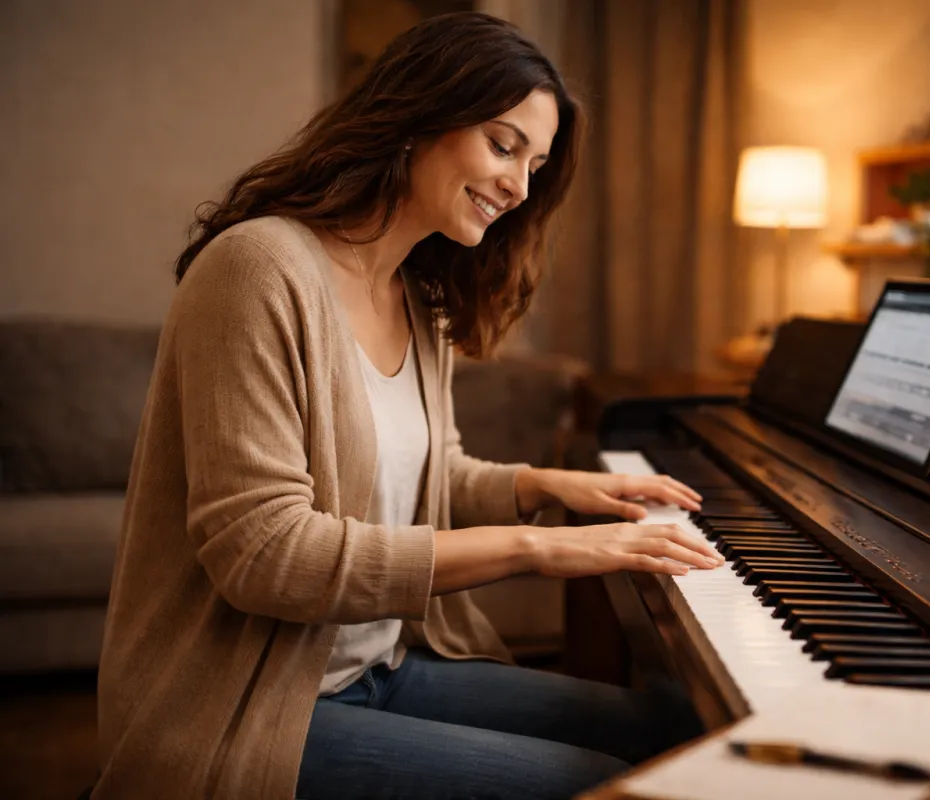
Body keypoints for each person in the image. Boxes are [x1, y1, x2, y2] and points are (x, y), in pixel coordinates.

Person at [92, 11, 725, 800]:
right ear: (419, 115)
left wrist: (543, 486)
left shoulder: (417, 296)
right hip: (244, 704)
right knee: (611, 784)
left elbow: (423, 475)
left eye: (536, 162)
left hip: (380, 667)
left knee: (685, 734)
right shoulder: (256, 269)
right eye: (502, 144)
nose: (518, 186)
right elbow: (264, 556)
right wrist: (538, 548)